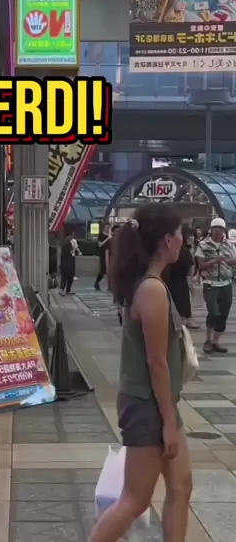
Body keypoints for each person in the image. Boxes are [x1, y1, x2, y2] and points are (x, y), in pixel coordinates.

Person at [89, 204, 191, 542]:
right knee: (135, 499)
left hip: (158, 402)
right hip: (147, 405)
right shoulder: (151, 289)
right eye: (180, 234)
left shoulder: (151, 284)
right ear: (167, 239)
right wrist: (168, 422)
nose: (183, 241)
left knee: (181, 485)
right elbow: (156, 361)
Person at [196, 218, 236, 355]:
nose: (218, 231)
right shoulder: (203, 245)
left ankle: (215, 342)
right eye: (215, 228)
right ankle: (207, 340)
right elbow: (200, 266)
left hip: (226, 284)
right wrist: (214, 261)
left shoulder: (229, 245)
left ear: (224, 230)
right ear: (211, 229)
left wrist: (231, 262)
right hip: (210, 284)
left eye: (220, 228)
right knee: (213, 312)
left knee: (223, 314)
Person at [162, 231, 199, 330]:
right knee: (182, 308)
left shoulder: (166, 250)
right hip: (181, 283)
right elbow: (191, 268)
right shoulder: (185, 252)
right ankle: (183, 327)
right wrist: (190, 279)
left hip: (169, 282)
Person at [95, 224, 111, 291]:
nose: (107, 228)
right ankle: (97, 282)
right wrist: (107, 239)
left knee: (110, 269)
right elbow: (100, 245)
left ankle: (110, 286)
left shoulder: (111, 235)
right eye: (106, 227)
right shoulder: (101, 235)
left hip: (110, 253)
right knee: (103, 270)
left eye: (109, 227)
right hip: (103, 253)